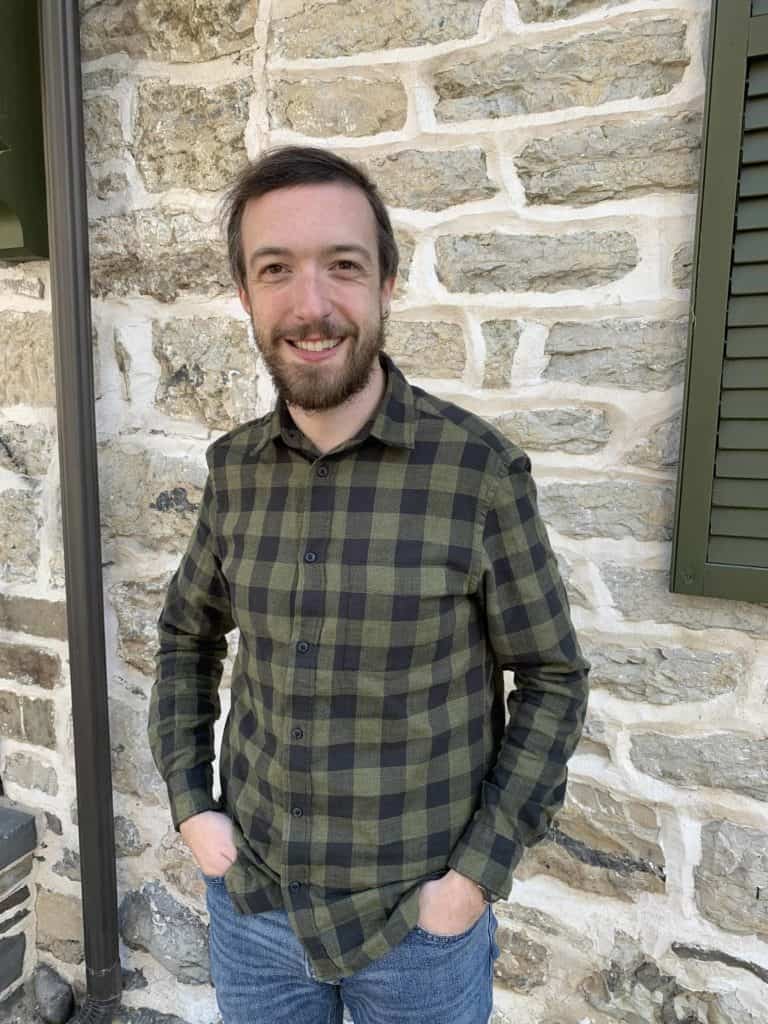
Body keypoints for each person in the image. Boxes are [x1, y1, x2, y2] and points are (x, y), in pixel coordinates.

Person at [148, 145, 590, 1024]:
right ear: (245, 293)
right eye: (276, 269)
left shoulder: (479, 473)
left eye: (343, 266)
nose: (311, 306)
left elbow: (551, 679)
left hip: (418, 936)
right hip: (260, 913)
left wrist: (469, 883)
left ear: (389, 282)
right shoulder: (234, 469)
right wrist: (194, 809)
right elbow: (186, 639)